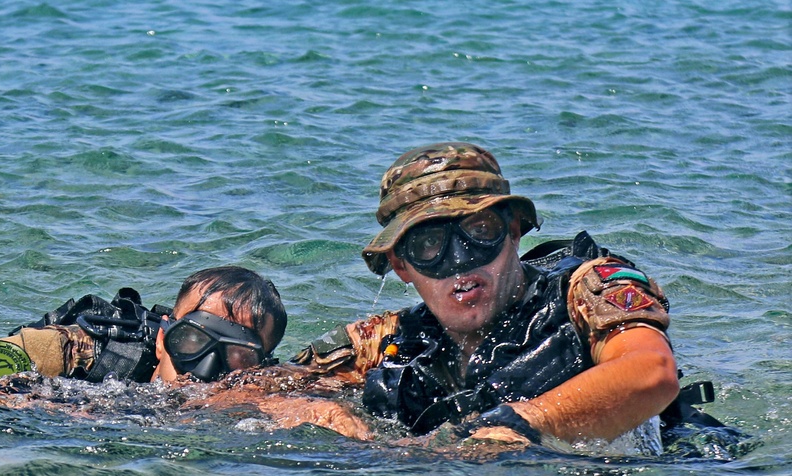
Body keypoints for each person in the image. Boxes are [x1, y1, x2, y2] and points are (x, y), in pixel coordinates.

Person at [287, 142, 715, 449]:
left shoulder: (589, 290)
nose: (460, 263)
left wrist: (523, 423)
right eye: (429, 247)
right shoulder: (383, 341)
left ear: (512, 232)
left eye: (479, 233)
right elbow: (247, 391)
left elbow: (651, 372)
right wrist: (322, 414)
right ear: (401, 265)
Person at [0, 266, 288, 397]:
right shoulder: (73, 349)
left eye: (237, 355)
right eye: (192, 341)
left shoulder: (265, 390)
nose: (204, 367)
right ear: (164, 337)